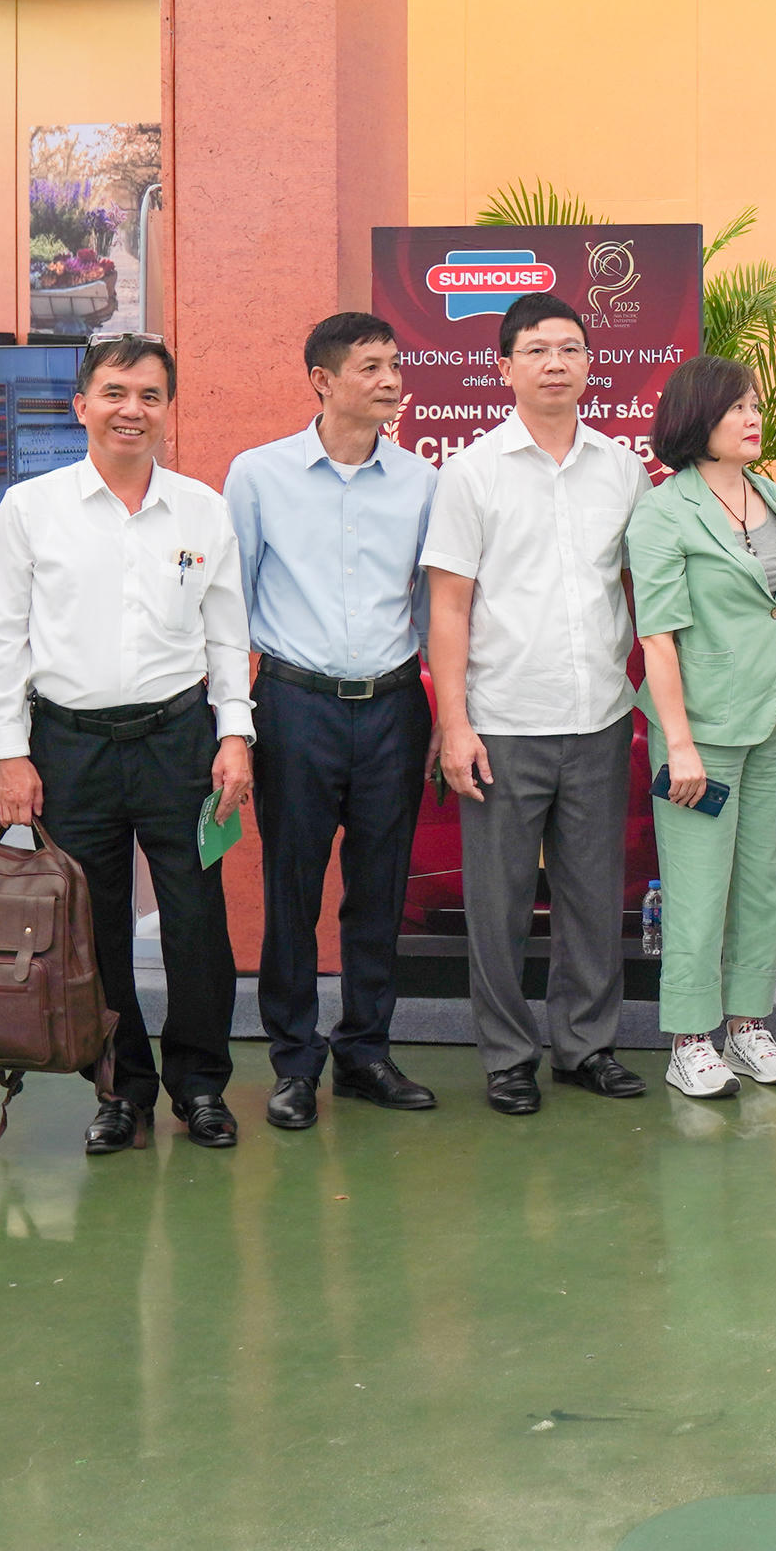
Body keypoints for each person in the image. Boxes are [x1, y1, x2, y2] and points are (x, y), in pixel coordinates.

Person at [0, 336, 255, 1154]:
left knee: (196, 922)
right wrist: (10, 751)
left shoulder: (202, 509)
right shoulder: (30, 509)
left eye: (149, 395)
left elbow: (226, 634)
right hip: (70, 747)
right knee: (91, 929)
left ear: (168, 409)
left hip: (179, 741)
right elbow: (2, 640)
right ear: (82, 406)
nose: (131, 410)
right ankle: (119, 1089)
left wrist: (235, 734)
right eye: (114, 393)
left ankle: (200, 1086)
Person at [426, 291, 656, 1117]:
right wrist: (455, 724)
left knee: (593, 898)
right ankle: (508, 1056)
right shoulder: (472, 472)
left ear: (591, 363)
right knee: (498, 906)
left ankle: (586, 1045)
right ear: (504, 368)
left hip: (599, 717)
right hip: (503, 724)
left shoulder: (623, 470)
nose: (555, 363)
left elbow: (643, 591)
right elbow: (448, 606)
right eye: (536, 350)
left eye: (569, 349)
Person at [226, 310, 443, 1132]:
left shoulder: (422, 482)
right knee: (292, 888)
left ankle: (365, 1053)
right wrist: (234, 721)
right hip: (294, 705)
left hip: (393, 706)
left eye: (395, 364)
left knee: (379, 890)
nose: (390, 380)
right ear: (322, 380)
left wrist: (439, 712)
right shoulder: (259, 476)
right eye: (370, 367)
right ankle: (294, 1062)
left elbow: (431, 607)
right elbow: (230, 602)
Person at [630, 355, 776, 1097]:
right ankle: (690, 1039)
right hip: (703, 731)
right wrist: (680, 743)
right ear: (697, 419)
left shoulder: (769, 493)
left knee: (764, 881)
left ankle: (748, 1025)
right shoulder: (663, 511)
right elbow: (658, 635)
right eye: (735, 408)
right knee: (698, 886)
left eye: (753, 405)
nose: (753, 418)